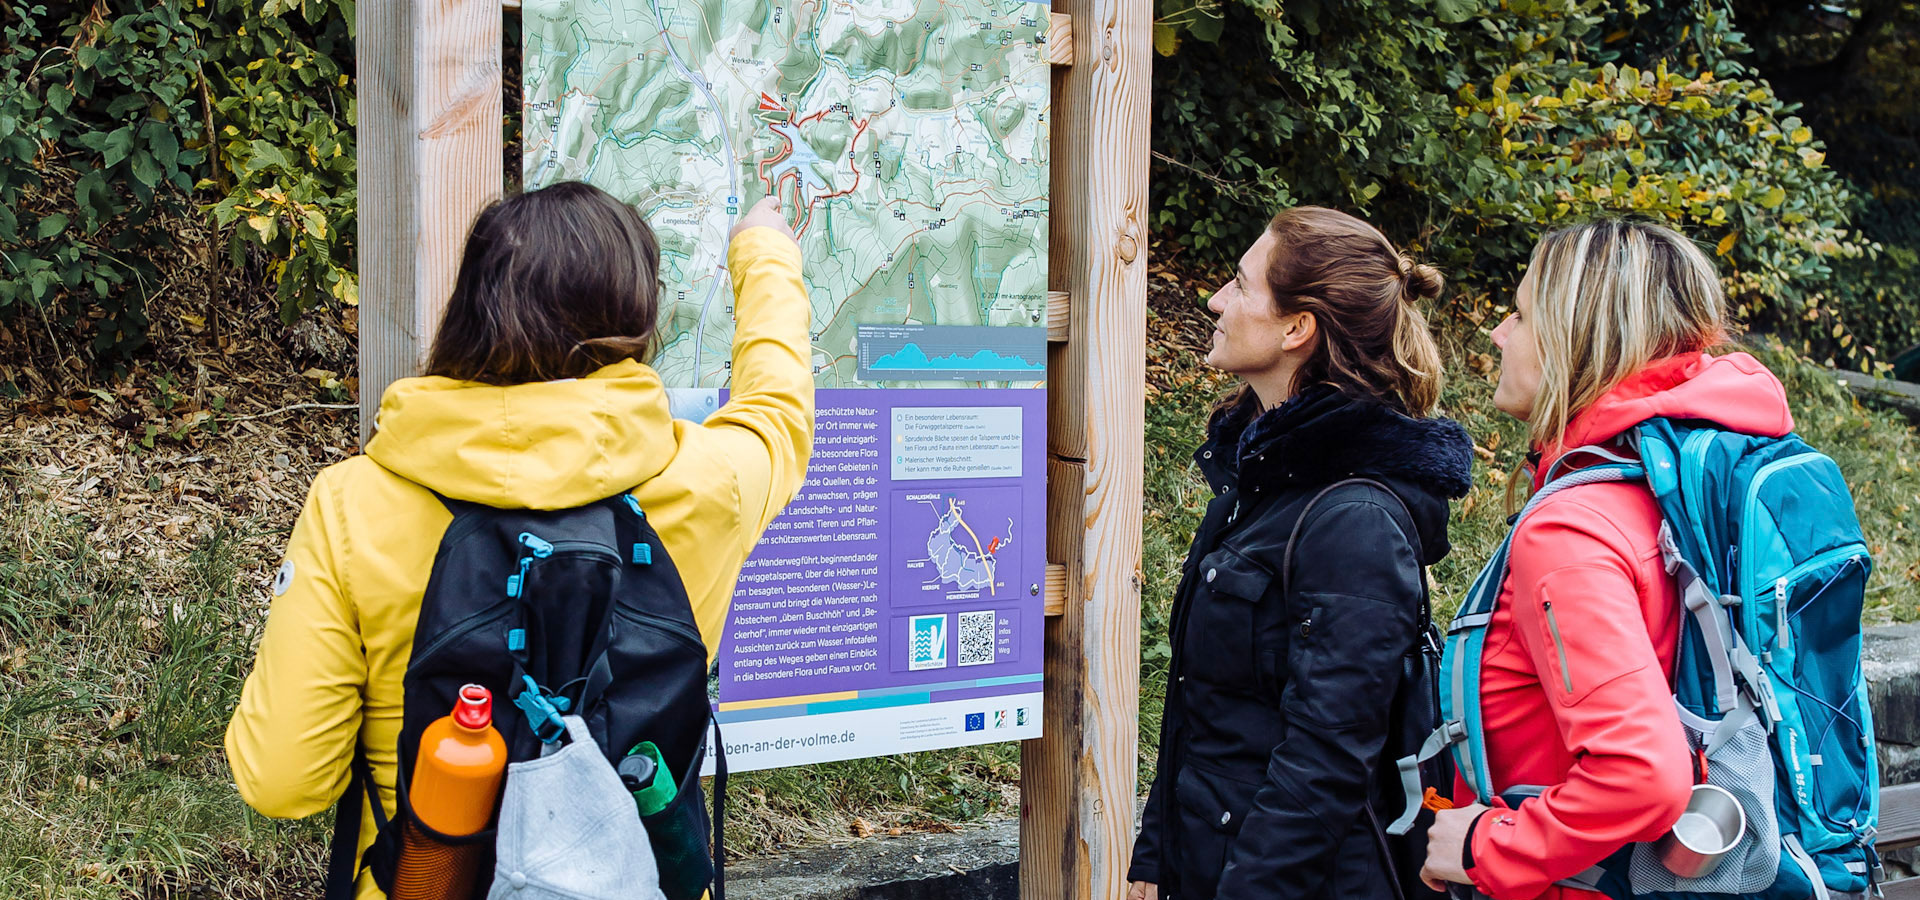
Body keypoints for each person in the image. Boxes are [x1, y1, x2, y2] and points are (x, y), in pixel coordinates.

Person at [224, 182, 813, 899]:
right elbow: (779, 409)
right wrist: (765, 251)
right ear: (634, 317)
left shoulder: (353, 504)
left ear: (469, 308)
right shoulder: (709, 484)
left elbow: (282, 779)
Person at [1416, 220, 1789, 899]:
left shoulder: (1573, 530)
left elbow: (1642, 775)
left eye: (1521, 315)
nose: (1498, 333)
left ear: (1575, 340)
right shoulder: (1671, 484)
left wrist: (1483, 846)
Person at [1127, 207, 1475, 900]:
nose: (1215, 299)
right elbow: (1205, 705)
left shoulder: (1355, 522)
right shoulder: (1262, 480)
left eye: (1238, 284)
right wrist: (1157, 854)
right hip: (1211, 861)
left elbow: (1325, 761)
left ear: (1296, 329)